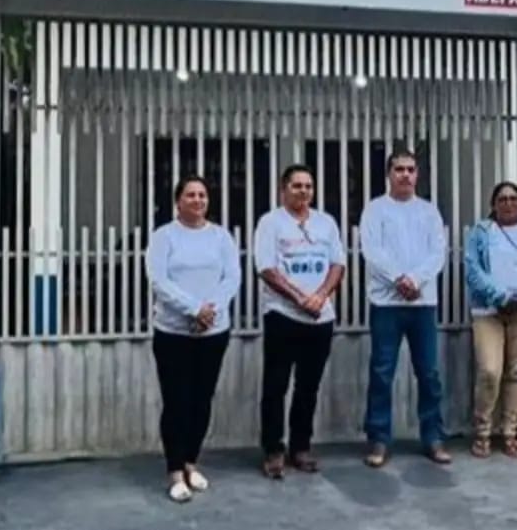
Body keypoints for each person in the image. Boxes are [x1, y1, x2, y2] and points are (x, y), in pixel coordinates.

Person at [145, 175, 242, 502]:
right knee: (177, 401)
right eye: (190, 195)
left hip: (213, 332)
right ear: (178, 201)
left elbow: (232, 277)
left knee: (202, 399)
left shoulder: (221, 237)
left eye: (202, 194)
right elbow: (159, 280)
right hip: (174, 332)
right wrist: (193, 309)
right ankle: (174, 471)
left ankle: (191, 462)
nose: (198, 200)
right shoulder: (165, 237)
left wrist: (210, 311)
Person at [252, 164, 347, 479]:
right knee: (276, 385)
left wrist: (320, 296)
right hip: (283, 314)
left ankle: (300, 447)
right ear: (284, 189)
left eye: (308, 186)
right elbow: (266, 268)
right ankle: (273, 450)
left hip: (320, 316)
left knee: (309, 385)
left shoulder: (326, 223)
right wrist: (299, 298)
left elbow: (337, 264)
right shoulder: (271, 223)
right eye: (297, 186)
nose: (303, 191)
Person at [359, 149, 451, 467]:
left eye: (411, 169)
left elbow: (438, 253)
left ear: (418, 174)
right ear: (389, 174)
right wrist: (399, 279)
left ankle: (433, 437)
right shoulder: (375, 210)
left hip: (422, 303)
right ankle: (379, 439)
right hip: (386, 302)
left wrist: (415, 280)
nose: (405, 175)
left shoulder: (429, 212)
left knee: (429, 373)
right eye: (399, 169)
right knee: (382, 373)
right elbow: (371, 250)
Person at [463, 181, 517, 458]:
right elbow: (473, 270)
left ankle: (510, 431)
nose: (508, 203)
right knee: (490, 371)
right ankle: (483, 431)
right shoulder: (480, 233)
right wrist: (499, 297)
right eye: (502, 199)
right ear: (493, 204)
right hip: (488, 312)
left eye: (513, 199)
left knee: (514, 372)